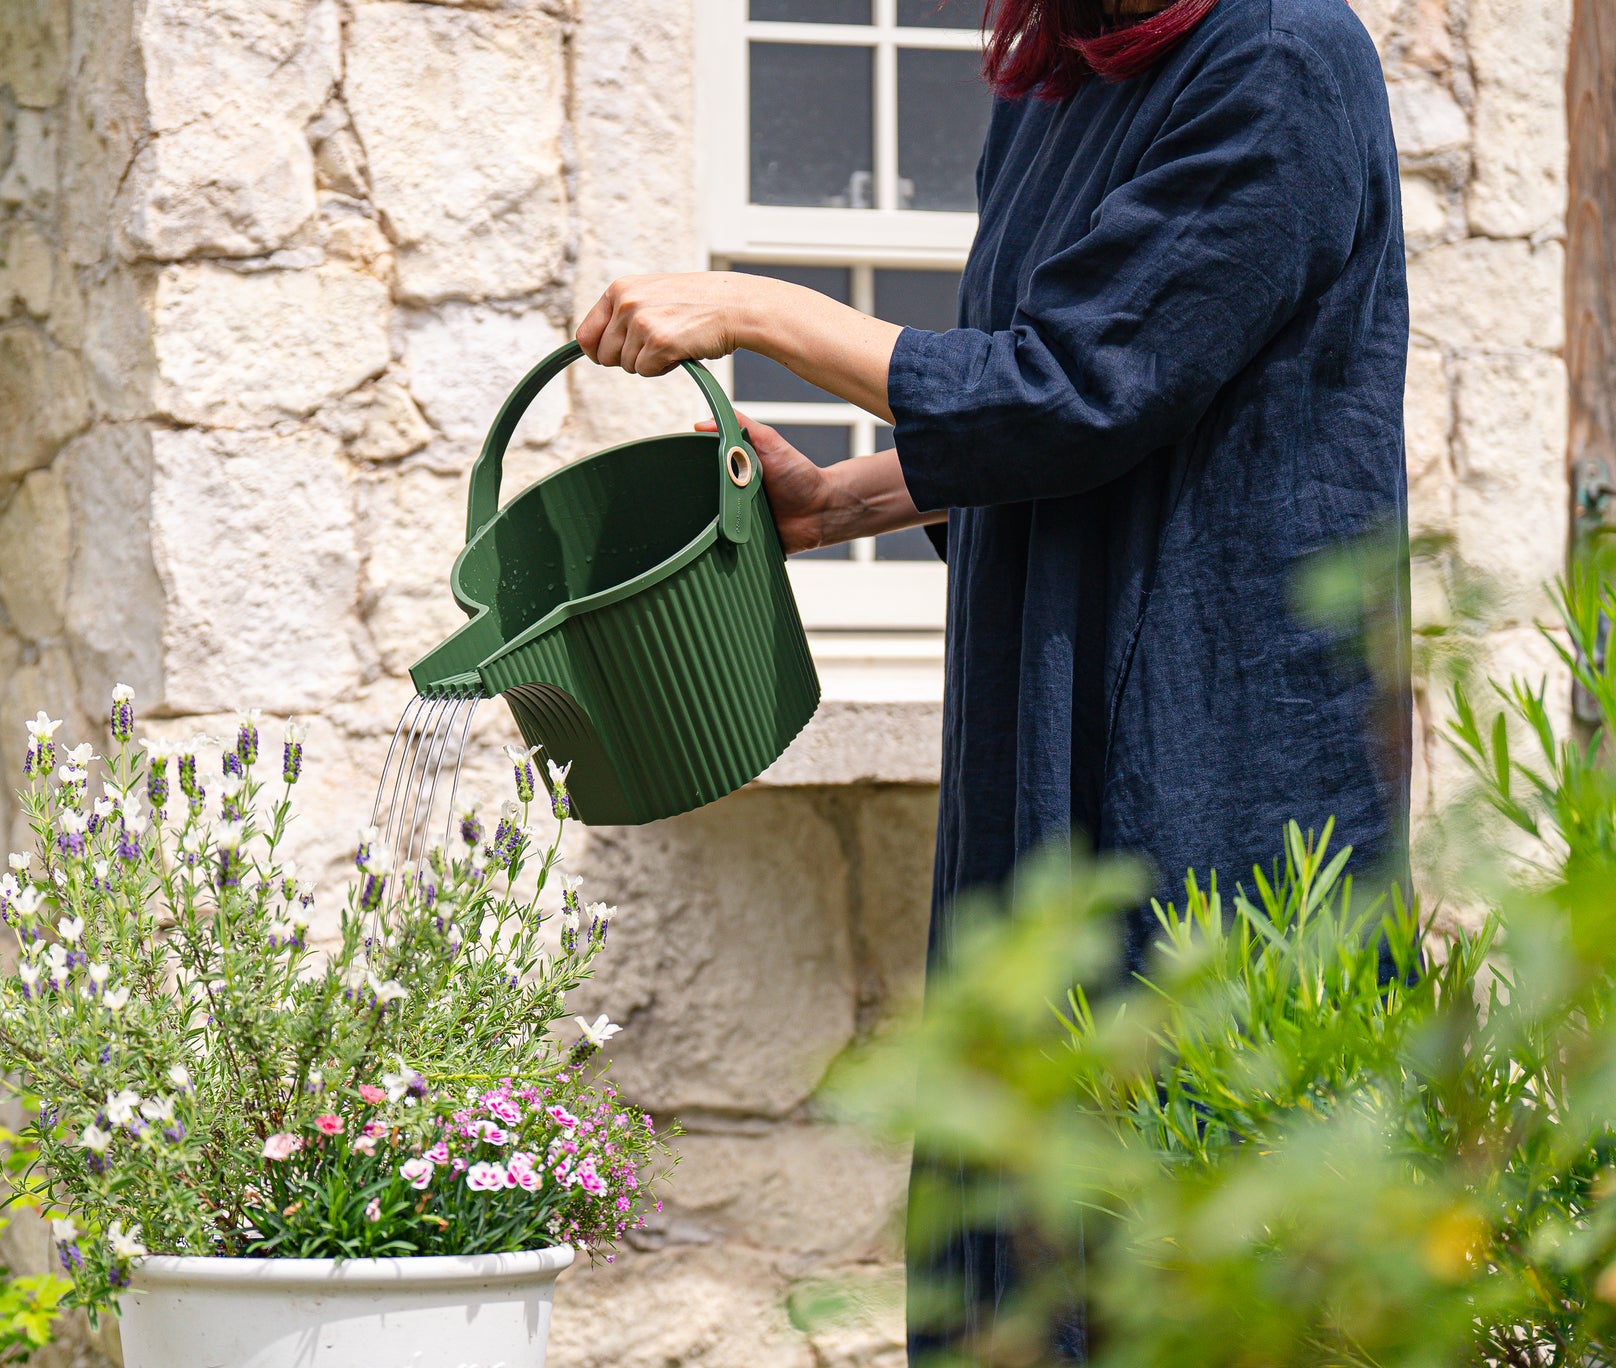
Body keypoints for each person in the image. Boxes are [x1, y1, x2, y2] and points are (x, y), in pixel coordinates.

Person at [575, 0, 1409, 1354]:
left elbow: (1083, 380)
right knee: (1020, 1194)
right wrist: (840, 504)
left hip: (1220, 726)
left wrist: (752, 308)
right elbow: (1062, 434)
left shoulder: (1280, 58)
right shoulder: (1054, 84)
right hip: (1044, 706)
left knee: (1195, 1182)